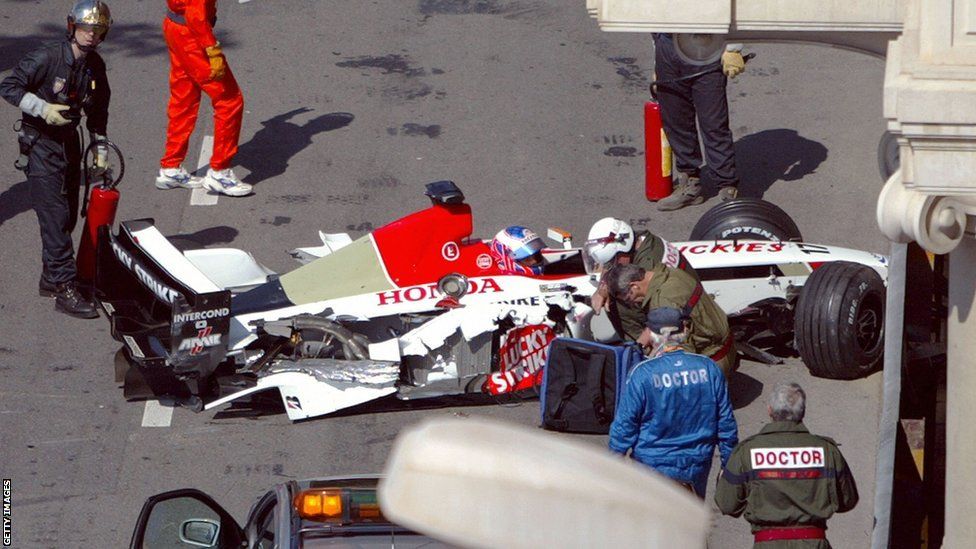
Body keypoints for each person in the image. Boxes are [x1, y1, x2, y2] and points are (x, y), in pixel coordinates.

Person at [0, 0, 113, 319]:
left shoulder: (94, 66)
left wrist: (100, 149)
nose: (91, 35)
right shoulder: (47, 57)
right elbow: (8, 86)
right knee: (54, 218)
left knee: (67, 219)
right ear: (72, 27)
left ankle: (51, 279)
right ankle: (64, 285)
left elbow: (99, 110)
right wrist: (42, 108)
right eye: (86, 28)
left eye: (97, 30)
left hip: (70, 143)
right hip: (41, 146)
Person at [609, 307, 738, 498]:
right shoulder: (708, 368)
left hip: (652, 464)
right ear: (683, 332)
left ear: (653, 335)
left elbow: (624, 425)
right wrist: (729, 465)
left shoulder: (642, 374)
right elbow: (726, 423)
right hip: (697, 463)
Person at [715, 382, 858, 547]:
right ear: (802, 412)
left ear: (770, 411)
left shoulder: (746, 452)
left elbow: (727, 504)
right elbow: (848, 501)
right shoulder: (827, 451)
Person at [157, 0, 251, 196]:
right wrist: (211, 48)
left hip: (176, 28)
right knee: (229, 101)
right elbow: (196, 13)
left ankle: (171, 167)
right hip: (193, 36)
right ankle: (220, 173)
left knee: (184, 98)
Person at [653, 34, 745, 211]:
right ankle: (690, 182)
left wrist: (733, 49)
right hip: (667, 48)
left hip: (706, 47)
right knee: (676, 120)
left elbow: (733, 8)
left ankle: (727, 185)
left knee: (714, 124)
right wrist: (656, 56)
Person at [604, 262, 736, 377]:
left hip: (712, 365)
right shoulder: (671, 274)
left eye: (628, 299)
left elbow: (680, 354)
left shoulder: (662, 302)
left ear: (634, 286)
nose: (632, 303)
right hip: (727, 348)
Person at [584, 217, 697, 339]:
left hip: (683, 313)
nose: (609, 268)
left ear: (624, 251)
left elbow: (657, 307)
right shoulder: (638, 239)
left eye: (612, 262)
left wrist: (643, 340)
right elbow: (611, 266)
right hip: (683, 293)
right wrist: (602, 289)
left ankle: (638, 348)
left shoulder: (648, 266)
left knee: (619, 302)